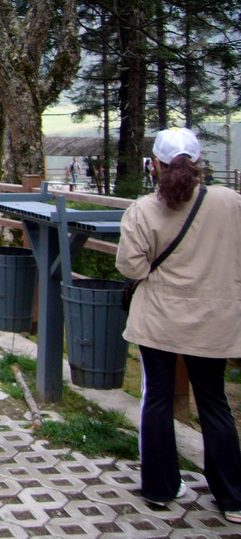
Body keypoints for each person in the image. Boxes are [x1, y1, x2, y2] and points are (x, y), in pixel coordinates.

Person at [116, 127, 241, 523]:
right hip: (215, 318)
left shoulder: (144, 209)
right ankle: (232, 498)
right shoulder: (230, 202)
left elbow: (131, 266)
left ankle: (159, 488)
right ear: (199, 163)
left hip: (160, 318)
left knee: (156, 398)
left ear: (155, 164)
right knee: (215, 402)